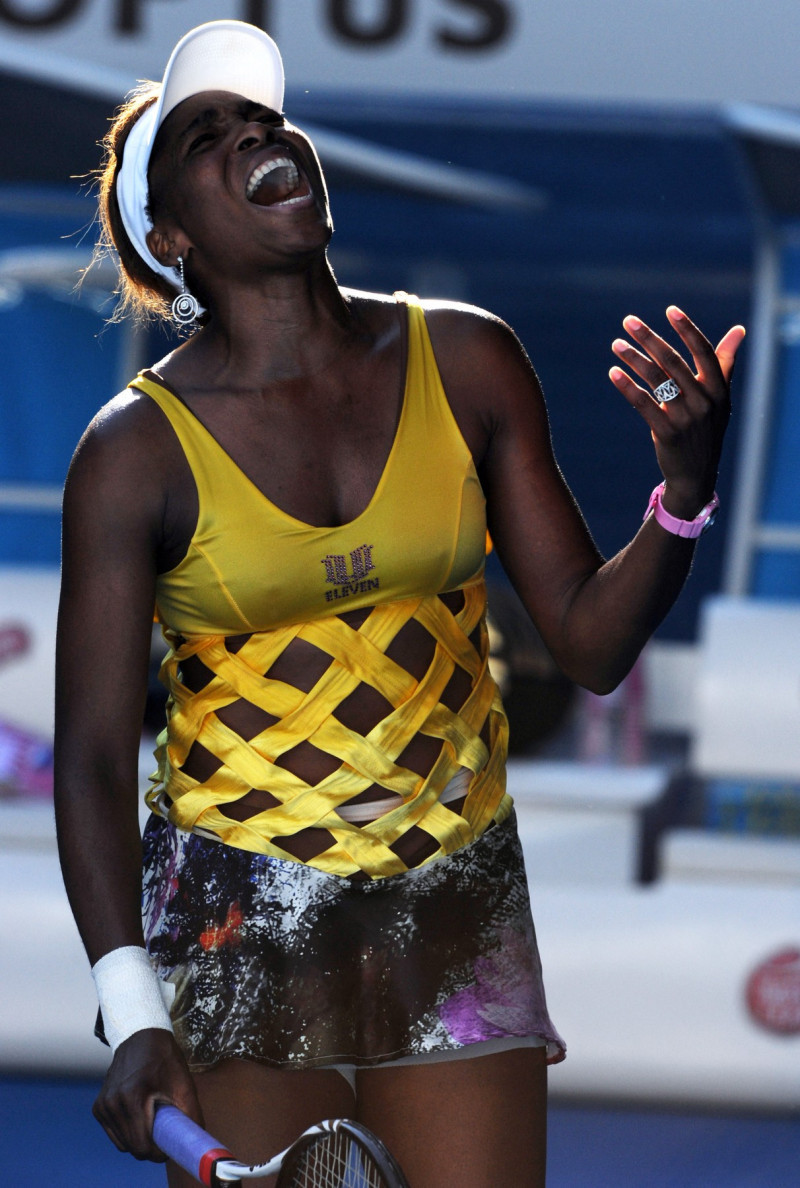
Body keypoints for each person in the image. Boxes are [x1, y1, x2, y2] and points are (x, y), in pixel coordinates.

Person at [53, 19, 744, 1188]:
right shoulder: (133, 453)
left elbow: (586, 643)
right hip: (236, 925)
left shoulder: (467, 359)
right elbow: (89, 761)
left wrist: (681, 493)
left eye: (263, 120)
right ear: (169, 238)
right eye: (206, 137)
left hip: (450, 911)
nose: (256, 137)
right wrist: (132, 1009)